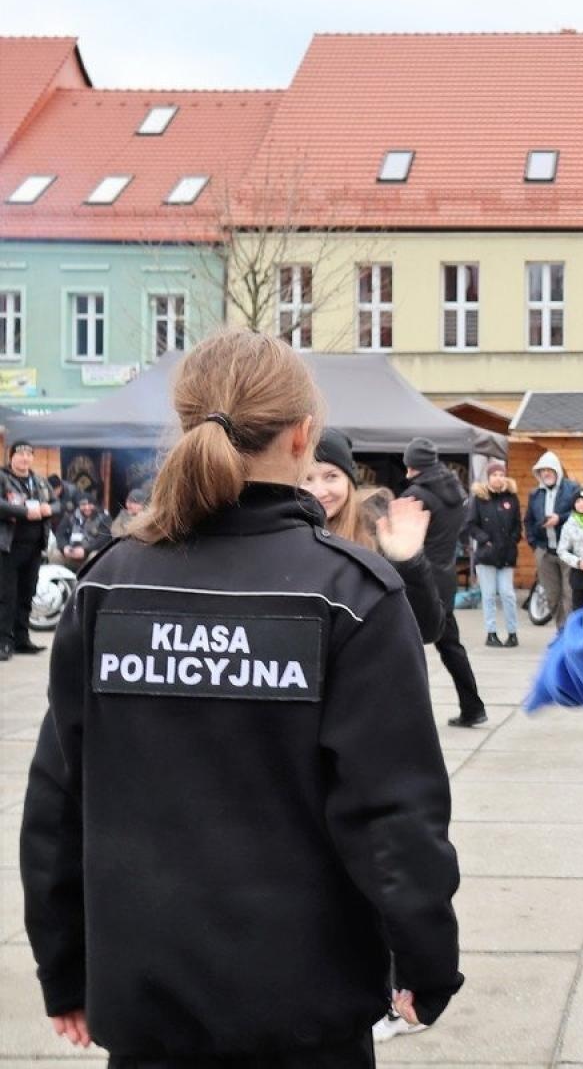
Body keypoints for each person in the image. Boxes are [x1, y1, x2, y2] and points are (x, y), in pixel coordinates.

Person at [18, 328, 463, 1066]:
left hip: (147, 1001)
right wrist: (426, 962)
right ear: (303, 435)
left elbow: (58, 798)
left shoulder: (110, 583)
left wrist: (64, 965)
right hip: (306, 1011)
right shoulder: (350, 594)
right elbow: (394, 814)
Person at [304, 428, 443, 643]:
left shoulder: (377, 532)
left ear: (349, 480)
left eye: (331, 476)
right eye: (306, 478)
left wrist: (408, 561)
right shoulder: (284, 535)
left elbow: (427, 629)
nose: (320, 491)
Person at [401, 438, 487, 727]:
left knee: (405, 648)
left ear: (412, 464)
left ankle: (411, 716)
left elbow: (401, 540)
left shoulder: (416, 495)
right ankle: (473, 707)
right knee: (450, 647)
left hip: (417, 579)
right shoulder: (455, 489)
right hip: (445, 577)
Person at [1, 440, 55, 660]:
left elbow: (58, 503)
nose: (25, 458)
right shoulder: (3, 478)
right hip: (8, 547)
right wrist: (24, 512)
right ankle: (4, 641)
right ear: (11, 456)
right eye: (20, 454)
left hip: (34, 548)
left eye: (29, 454)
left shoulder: (39, 482)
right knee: (6, 597)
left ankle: (22, 639)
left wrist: (49, 508)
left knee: (26, 595)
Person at [466, 459, 521, 647]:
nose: (498, 478)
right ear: (488, 477)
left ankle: (512, 632)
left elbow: (517, 525)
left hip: (506, 554)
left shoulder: (511, 498)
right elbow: (471, 524)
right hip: (486, 555)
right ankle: (491, 633)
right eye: (494, 475)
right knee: (488, 595)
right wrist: (484, 540)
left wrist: (512, 540)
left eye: (500, 474)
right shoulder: (479, 499)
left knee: (507, 594)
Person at [524, 450, 578, 628]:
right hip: (544, 551)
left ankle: (568, 634)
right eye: (542, 470)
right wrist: (534, 545)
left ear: (557, 471)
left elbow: (581, 512)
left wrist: (559, 519)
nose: (546, 473)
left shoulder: (572, 489)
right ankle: (560, 630)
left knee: (569, 595)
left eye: (549, 469)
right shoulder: (535, 495)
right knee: (552, 596)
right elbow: (528, 520)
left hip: (567, 552)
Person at [53, 497, 112, 567]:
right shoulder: (70, 516)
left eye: (90, 504)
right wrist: (64, 547)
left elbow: (104, 539)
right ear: (79, 505)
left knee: (95, 556)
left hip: (89, 552)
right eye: (83, 505)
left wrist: (86, 550)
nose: (87, 507)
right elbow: (60, 533)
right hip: (71, 551)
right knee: (55, 553)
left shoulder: (104, 517)